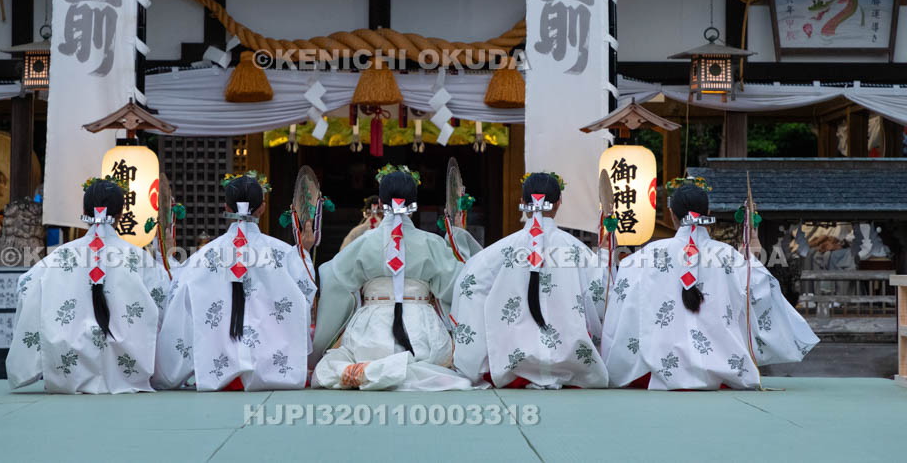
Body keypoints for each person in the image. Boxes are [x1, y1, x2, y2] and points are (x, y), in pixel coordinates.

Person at [600, 182, 820, 390]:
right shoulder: (730, 258)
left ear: (672, 216)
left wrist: (606, 251)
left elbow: (618, 298)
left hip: (657, 372)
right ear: (708, 213)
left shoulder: (645, 257)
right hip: (723, 372)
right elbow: (760, 293)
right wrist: (752, 258)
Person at [311, 165, 472, 391]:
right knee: (430, 359)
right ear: (413, 200)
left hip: (370, 332)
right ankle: (402, 369)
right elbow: (457, 285)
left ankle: (367, 371)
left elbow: (333, 277)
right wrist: (460, 245)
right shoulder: (431, 243)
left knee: (344, 358)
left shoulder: (363, 242)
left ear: (382, 199)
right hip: (421, 333)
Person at [153, 173, 316, 391]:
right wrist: (304, 254)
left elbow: (177, 297)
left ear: (227, 208)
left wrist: (168, 261)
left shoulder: (203, 257)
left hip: (217, 377)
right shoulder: (285, 255)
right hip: (273, 375)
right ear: (262, 208)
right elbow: (305, 296)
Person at [6, 179, 170, 393]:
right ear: (121, 214)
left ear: (84, 210)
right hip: (128, 375)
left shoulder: (56, 259)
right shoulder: (142, 260)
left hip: (69, 375)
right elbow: (164, 306)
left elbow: (26, 286)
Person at [451, 172, 609, 388]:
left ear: (523, 202)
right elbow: (601, 295)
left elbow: (468, 286)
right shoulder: (578, 252)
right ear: (559, 202)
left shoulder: (499, 251)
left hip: (511, 365)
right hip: (574, 367)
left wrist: (478, 351)